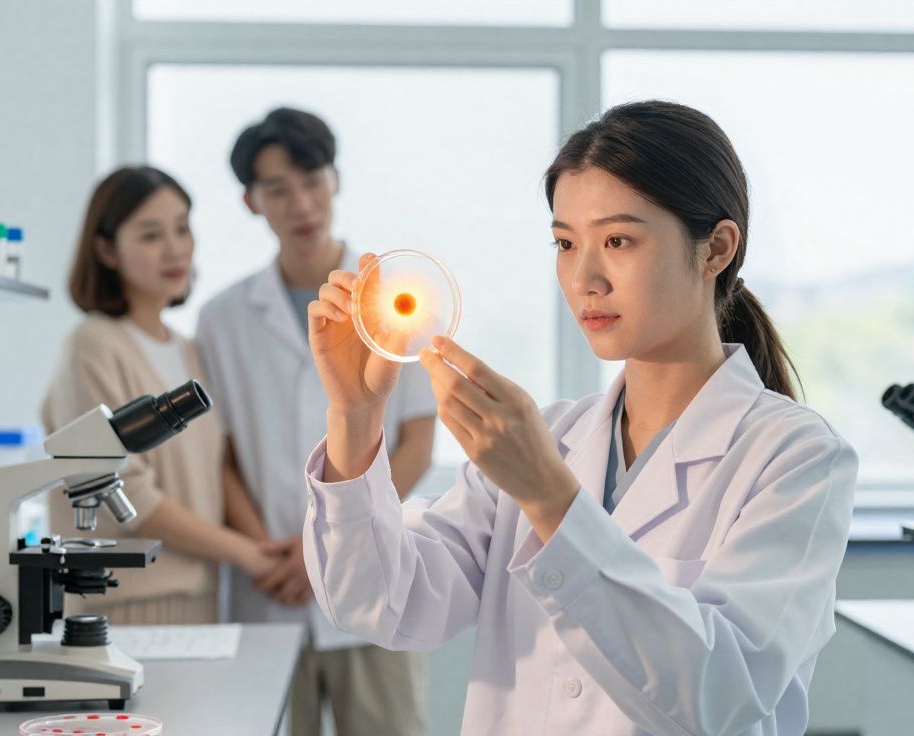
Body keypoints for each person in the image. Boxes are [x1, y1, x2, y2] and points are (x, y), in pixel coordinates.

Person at [301, 101, 859, 735]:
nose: (583, 277)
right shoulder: (554, 438)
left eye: (618, 240)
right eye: (566, 243)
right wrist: (355, 415)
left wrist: (548, 496)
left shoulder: (796, 457)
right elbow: (382, 604)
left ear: (716, 250)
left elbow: (722, 695)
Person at [196, 108, 435, 735]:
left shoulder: (395, 300)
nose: (300, 202)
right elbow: (219, 455)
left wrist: (326, 550)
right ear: (251, 201)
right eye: (277, 188)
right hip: (268, 586)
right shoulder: (222, 318)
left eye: (312, 179)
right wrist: (273, 556)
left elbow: (416, 442)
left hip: (370, 576)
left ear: (336, 179)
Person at [42, 165, 273, 625]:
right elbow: (129, 495)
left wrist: (262, 548)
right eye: (151, 235)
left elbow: (215, 467)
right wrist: (253, 556)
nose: (175, 249)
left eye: (182, 229)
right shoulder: (94, 345)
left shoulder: (187, 350)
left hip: (200, 601)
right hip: (124, 609)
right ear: (106, 249)